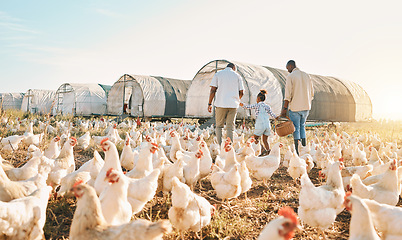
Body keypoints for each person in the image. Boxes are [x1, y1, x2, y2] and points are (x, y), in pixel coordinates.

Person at [281, 60, 314, 155]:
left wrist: (284, 108)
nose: (288, 71)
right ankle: (304, 148)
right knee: (302, 126)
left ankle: (297, 150)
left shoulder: (291, 76)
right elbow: (312, 93)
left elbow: (288, 94)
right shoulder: (307, 75)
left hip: (295, 107)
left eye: (288, 68)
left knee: (296, 128)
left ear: (291, 66)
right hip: (306, 107)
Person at [208, 63, 244, 145]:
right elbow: (242, 92)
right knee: (230, 127)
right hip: (233, 105)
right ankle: (229, 147)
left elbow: (213, 90)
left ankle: (220, 146)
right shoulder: (237, 76)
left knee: (219, 126)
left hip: (221, 104)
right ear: (234, 68)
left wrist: (209, 103)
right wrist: (237, 100)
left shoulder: (218, 74)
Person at [240, 90, 277, 156]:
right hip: (267, 125)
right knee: (265, 140)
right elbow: (273, 115)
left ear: (258, 98)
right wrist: (278, 118)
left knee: (254, 138)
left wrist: (240, 103)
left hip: (260, 125)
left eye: (257, 98)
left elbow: (247, 107)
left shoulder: (257, 105)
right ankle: (268, 152)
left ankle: (263, 150)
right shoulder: (267, 107)